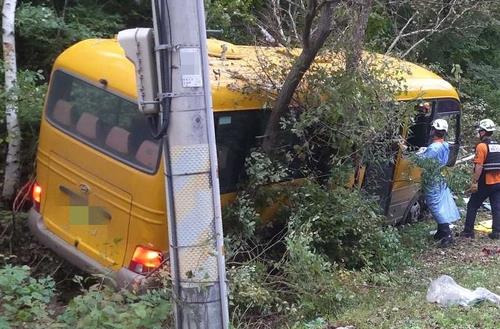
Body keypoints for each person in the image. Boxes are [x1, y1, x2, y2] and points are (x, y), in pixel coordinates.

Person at [416, 119, 460, 247]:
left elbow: (422, 162)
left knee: (434, 205)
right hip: (440, 176)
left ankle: (447, 234)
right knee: (440, 203)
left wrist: (418, 153)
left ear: (434, 131)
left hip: (432, 177)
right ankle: (441, 231)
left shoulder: (434, 147)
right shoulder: (445, 145)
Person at [460, 119, 500, 239]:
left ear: (483, 132)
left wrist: (474, 182)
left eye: (480, 131)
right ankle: (497, 232)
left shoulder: (481, 146)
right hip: (498, 181)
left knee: (472, 205)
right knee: (497, 207)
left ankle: (468, 232)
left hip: (485, 182)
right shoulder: (498, 145)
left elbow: (479, 166)